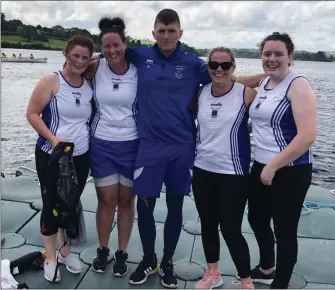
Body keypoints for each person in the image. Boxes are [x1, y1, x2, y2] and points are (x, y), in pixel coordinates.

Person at [93, 9, 265, 288]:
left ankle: (168, 261)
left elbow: (224, 78)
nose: (166, 36)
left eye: (171, 31)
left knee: (175, 207)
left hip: (182, 148)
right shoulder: (140, 55)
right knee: (145, 207)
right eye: (161, 30)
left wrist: (267, 77)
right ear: (153, 33)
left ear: (180, 33)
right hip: (148, 146)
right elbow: (107, 56)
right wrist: (73, 65)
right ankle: (149, 259)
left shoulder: (194, 64)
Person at [246, 32, 317, 289]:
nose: (272, 59)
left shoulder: (297, 84)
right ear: (261, 56)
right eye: (267, 54)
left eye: (278, 54)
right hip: (261, 165)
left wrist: (274, 166)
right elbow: (264, 122)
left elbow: (307, 135)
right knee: (256, 219)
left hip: (290, 170)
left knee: (285, 231)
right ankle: (267, 267)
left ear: (290, 57)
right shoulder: (266, 83)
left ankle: (281, 283)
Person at [26, 35, 94, 282]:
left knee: (70, 203)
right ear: (65, 54)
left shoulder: (88, 84)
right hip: (51, 155)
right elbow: (32, 114)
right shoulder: (51, 81)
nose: (80, 61)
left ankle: (66, 252)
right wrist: (53, 139)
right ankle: (51, 257)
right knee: (52, 203)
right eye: (75, 55)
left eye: (85, 57)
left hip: (80, 155)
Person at [192, 47, 256, 290]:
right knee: (208, 224)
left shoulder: (247, 94)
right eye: (214, 65)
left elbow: (272, 80)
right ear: (208, 67)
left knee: (230, 229)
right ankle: (213, 273)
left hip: (234, 172)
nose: (219, 69)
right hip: (202, 169)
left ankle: (246, 279)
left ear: (233, 67)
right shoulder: (200, 92)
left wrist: (235, 79)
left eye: (225, 65)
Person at [83, 16, 138, 276]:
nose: (112, 51)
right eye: (106, 46)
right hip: (102, 142)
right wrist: (95, 57)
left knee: (126, 201)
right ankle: (103, 249)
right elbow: (70, 67)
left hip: (132, 143)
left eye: (116, 45)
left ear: (125, 44)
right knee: (106, 200)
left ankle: (122, 252)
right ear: (101, 48)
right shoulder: (96, 67)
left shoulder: (138, 70)